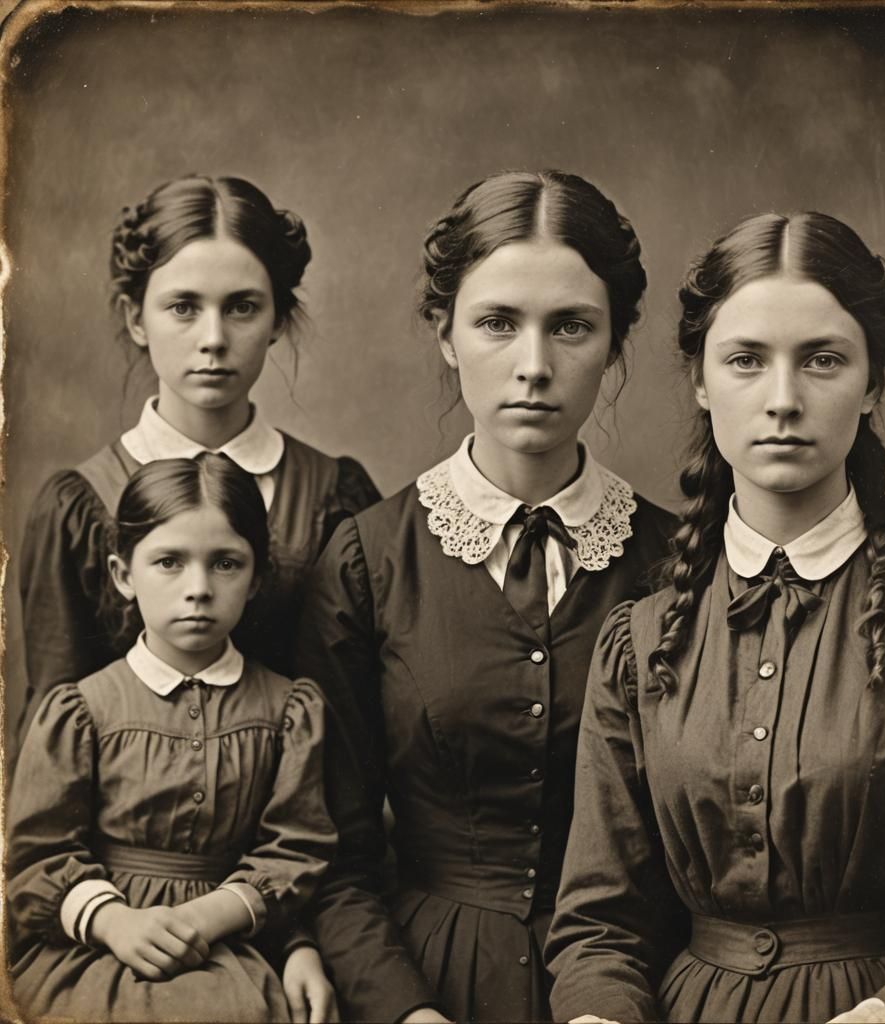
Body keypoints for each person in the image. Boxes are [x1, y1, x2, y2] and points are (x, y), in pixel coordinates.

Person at [544, 211, 885, 1024]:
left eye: (823, 360)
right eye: (746, 360)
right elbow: (599, 928)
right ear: (702, 381)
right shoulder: (640, 640)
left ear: (872, 385)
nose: (783, 400)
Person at [294, 169, 678, 1023]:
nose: (533, 367)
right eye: (498, 323)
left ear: (615, 343)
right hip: (426, 982)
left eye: (571, 326)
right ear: (445, 334)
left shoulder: (679, 562)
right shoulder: (366, 560)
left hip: (640, 985)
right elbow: (333, 853)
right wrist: (405, 1011)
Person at [16, 174, 380, 740]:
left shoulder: (334, 497)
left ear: (278, 321)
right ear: (137, 318)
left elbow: (361, 719)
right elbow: (54, 728)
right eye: (183, 307)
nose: (213, 338)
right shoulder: (79, 507)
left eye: (242, 307)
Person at [7, 454, 340, 1023]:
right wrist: (114, 922)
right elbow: (37, 858)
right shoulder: (80, 711)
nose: (199, 589)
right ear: (123, 575)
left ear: (257, 579)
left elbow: (296, 850)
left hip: (232, 941)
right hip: (96, 945)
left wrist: (284, 941)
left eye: (226, 564)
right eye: (169, 562)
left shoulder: (289, 710)